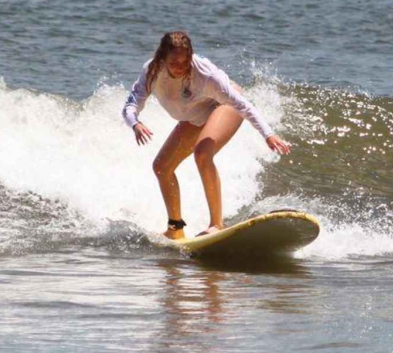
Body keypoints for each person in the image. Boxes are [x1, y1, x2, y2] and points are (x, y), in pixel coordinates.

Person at [123, 30, 291, 240]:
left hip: (224, 105)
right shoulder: (151, 72)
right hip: (196, 115)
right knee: (161, 167)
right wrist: (135, 123)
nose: (180, 67)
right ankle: (175, 228)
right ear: (162, 58)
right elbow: (131, 106)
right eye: (174, 62)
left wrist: (268, 134)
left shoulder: (205, 74)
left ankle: (216, 225)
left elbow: (243, 105)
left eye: (185, 62)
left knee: (202, 153)